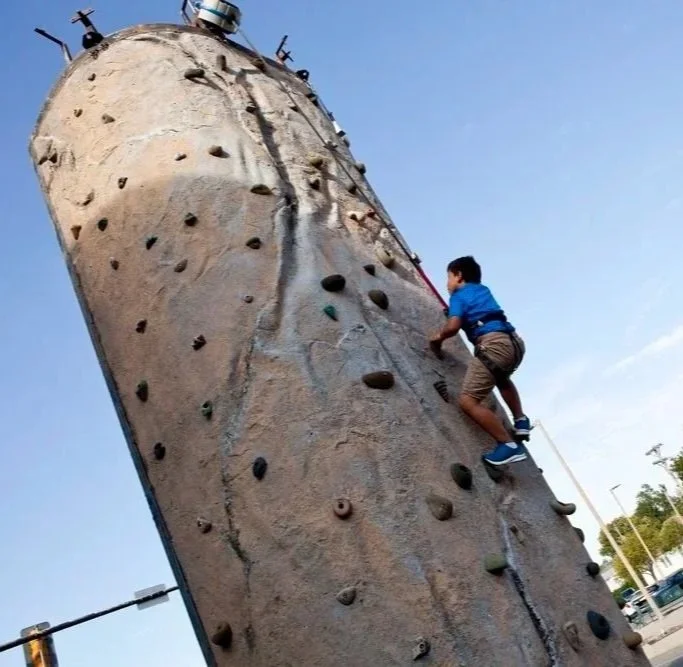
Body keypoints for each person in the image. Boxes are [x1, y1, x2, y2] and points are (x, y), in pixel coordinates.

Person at [429, 256, 530, 465]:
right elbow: (476, 315)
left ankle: (508, 445)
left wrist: (438, 338)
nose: (447, 284)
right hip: (514, 343)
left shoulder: (458, 295)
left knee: (468, 400)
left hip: (493, 345)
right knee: (501, 378)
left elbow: (453, 326)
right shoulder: (482, 290)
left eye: (448, 277)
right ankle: (520, 420)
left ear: (458, 276)